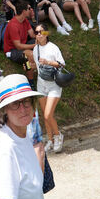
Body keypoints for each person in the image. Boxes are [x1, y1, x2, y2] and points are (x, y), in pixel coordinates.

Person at [0, 75, 47, 199]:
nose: (23, 108)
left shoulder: (21, 133)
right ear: (4, 110)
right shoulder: (6, 149)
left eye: (26, 101)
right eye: (15, 104)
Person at [32, 24, 67, 152]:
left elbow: (61, 64)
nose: (39, 34)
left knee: (48, 115)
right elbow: (37, 66)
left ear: (46, 33)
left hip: (54, 85)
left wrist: (48, 62)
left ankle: (58, 136)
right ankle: (50, 140)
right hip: (41, 84)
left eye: (41, 32)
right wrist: (30, 67)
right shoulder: (35, 49)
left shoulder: (53, 48)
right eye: (36, 32)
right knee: (45, 115)